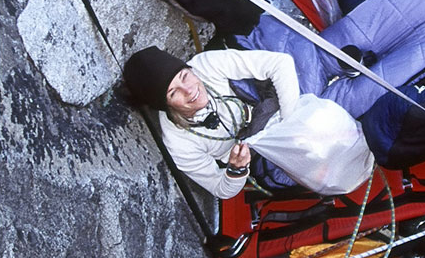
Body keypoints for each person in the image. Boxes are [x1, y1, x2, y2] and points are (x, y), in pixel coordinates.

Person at [123, 46, 300, 199]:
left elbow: (280, 62)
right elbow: (220, 189)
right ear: (166, 105)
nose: (188, 90)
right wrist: (236, 170)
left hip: (269, 110)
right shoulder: (178, 144)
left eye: (184, 76)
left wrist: (291, 125)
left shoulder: (204, 65)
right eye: (173, 93)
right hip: (254, 154)